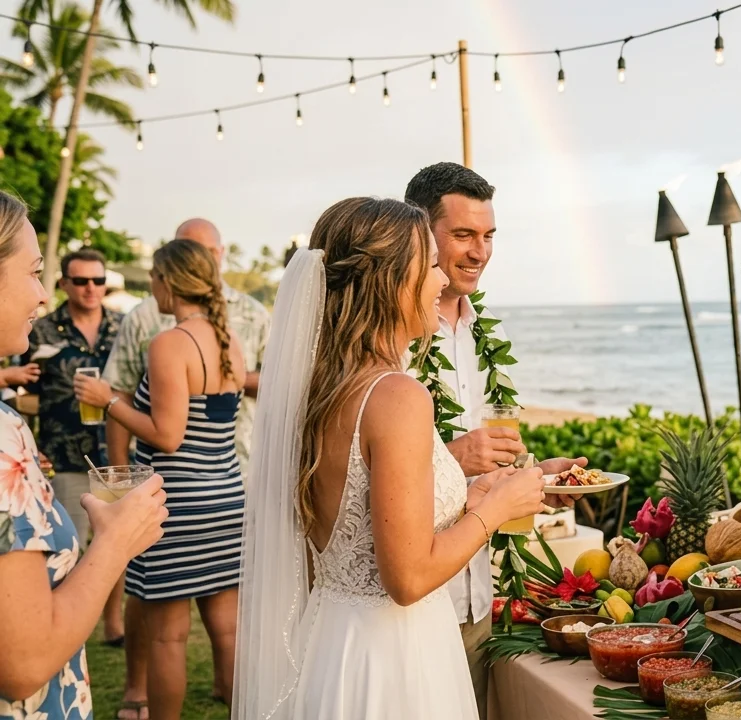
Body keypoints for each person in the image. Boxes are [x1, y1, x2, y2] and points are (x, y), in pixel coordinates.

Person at [233, 197, 548, 719]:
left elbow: (359, 518)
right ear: (392, 281)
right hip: (393, 659)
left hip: (333, 643)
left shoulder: (325, 388)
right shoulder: (397, 396)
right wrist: (496, 510)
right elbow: (407, 579)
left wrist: (469, 497)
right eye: (431, 265)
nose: (441, 280)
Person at [403, 162, 584, 715]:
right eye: (463, 234)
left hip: (478, 593)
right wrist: (453, 457)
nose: (479, 252)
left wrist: (533, 479)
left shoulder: (489, 331)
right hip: (412, 600)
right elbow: (358, 472)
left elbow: (492, 457)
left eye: (488, 236)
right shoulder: (392, 334)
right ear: (419, 233)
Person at [0, 190, 169, 720]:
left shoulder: (122, 328)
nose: (40, 295)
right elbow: (25, 664)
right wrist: (117, 541)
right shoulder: (4, 434)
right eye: (34, 273)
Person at [100, 218, 269, 720]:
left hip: (178, 506)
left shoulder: (170, 344)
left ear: (169, 282)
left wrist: (108, 401)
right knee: (228, 631)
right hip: (227, 497)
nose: (151, 287)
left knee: (168, 638)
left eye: (154, 278)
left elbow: (168, 435)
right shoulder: (229, 340)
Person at [23, 248, 125, 643]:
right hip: (65, 453)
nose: (90, 288)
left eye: (98, 280)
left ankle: (113, 623)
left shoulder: (122, 326)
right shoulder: (41, 330)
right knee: (68, 546)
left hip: (117, 453)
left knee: (117, 541)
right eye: (81, 281)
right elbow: (23, 390)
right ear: (64, 283)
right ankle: (64, 629)